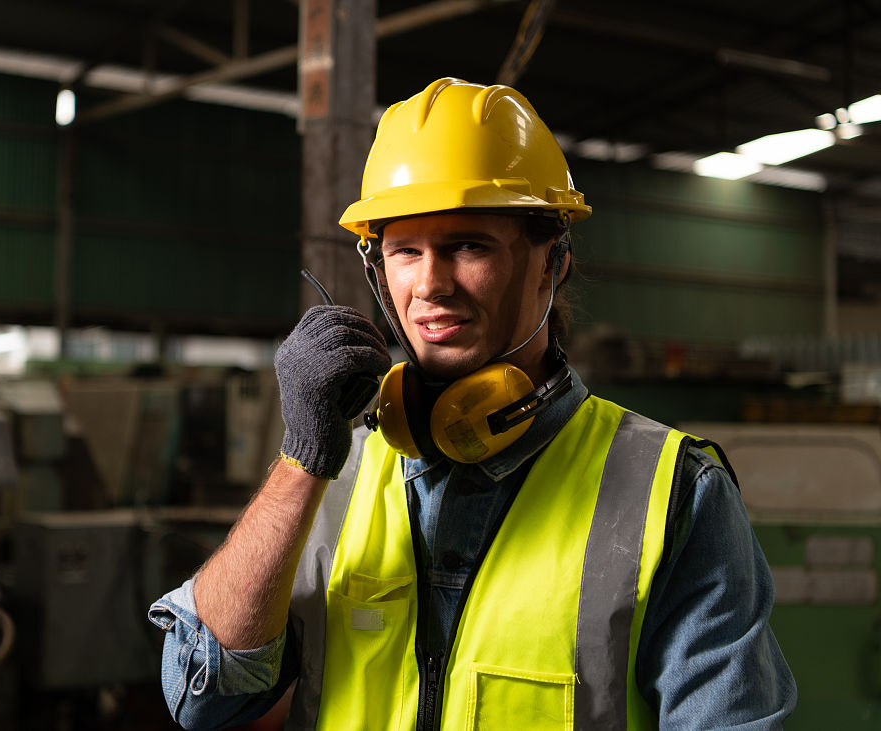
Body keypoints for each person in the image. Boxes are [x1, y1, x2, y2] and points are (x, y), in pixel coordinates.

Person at [149, 78, 796, 730]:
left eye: (468, 246)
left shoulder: (675, 493)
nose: (430, 284)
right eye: (405, 250)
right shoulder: (338, 474)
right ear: (377, 267)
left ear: (553, 260)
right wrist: (302, 458)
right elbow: (204, 692)